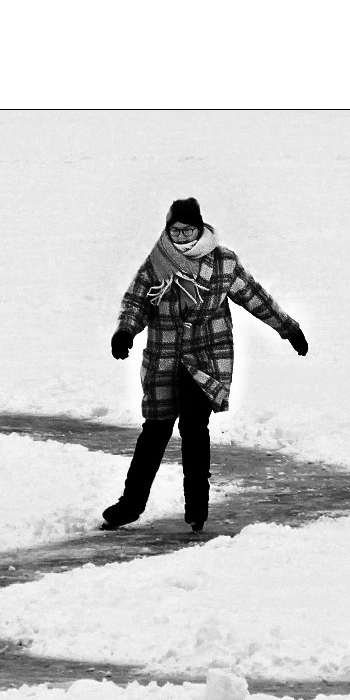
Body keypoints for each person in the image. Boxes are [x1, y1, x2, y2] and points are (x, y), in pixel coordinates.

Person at [103, 197, 309, 532]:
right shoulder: (156, 263)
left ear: (200, 229)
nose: (181, 237)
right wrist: (125, 331)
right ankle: (131, 505)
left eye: (187, 230)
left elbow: (255, 297)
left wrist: (289, 329)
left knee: (194, 427)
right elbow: (137, 302)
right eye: (175, 230)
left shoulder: (223, 262)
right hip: (164, 357)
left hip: (207, 357)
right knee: (155, 430)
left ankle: (197, 509)